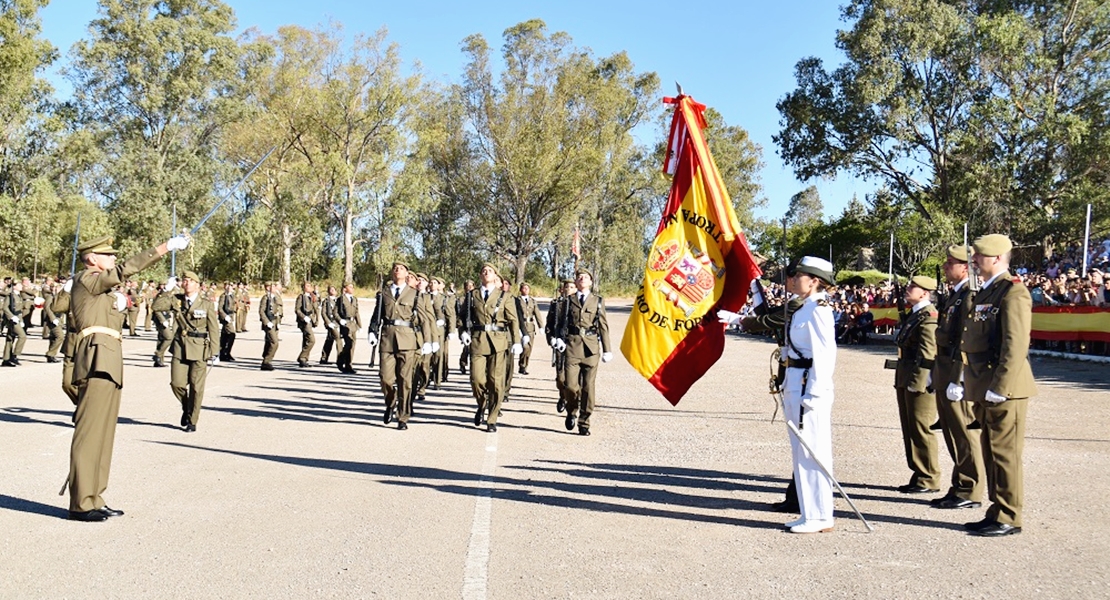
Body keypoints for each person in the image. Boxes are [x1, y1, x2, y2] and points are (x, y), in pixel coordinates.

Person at [65, 233, 186, 521]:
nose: (113, 259)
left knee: (104, 435)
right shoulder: (86, 278)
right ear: (92, 259)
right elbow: (123, 271)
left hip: (108, 362)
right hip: (95, 361)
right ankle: (80, 502)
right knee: (89, 434)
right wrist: (163, 248)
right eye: (107, 256)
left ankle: (95, 496)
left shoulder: (100, 290)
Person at [960, 234, 1037, 537]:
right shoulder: (987, 292)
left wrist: (1000, 386)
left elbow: (1015, 345)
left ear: (996, 258)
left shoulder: (1012, 293)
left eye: (979, 256)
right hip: (985, 384)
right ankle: (996, 510)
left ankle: (1009, 515)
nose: (975, 261)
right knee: (991, 452)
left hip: (1005, 387)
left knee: (1005, 454)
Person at [719, 277, 805, 514]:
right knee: (796, 439)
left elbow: (769, 321)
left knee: (802, 439)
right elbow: (766, 313)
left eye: (794, 277)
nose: (790, 281)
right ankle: (795, 496)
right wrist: (755, 286)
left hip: (802, 377)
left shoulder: (802, 305)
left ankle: (799, 498)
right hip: (791, 373)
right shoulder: (796, 302)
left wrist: (738, 320)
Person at [779, 256, 837, 534]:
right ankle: (809, 512)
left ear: (814, 280)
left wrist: (814, 393)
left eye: (798, 275)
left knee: (813, 451)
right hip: (795, 382)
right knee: (801, 451)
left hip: (808, 387)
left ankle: (820, 515)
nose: (792, 279)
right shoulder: (804, 308)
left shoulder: (820, 310)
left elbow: (825, 356)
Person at [931, 245, 985, 510]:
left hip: (956, 370)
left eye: (950, 262)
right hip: (944, 369)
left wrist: (961, 377)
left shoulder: (969, 296)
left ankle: (970, 488)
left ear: (965, 266)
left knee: (964, 434)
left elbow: (967, 338)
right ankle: (960, 484)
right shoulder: (954, 295)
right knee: (953, 433)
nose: (944, 266)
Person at [888, 276, 941, 494]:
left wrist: (918, 382)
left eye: (913, 287)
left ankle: (928, 477)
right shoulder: (915, 315)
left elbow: (928, 352)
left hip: (919, 381)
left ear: (925, 293)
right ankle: (918, 472)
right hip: (906, 376)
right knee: (909, 428)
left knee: (921, 428)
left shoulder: (928, 316)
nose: (908, 290)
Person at [367, 262, 431, 430]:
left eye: (402, 268)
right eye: (395, 268)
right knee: (385, 379)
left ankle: (403, 416)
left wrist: (428, 341)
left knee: (405, 380)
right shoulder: (384, 293)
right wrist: (372, 331)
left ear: (407, 273)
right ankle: (391, 401)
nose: (398, 270)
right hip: (387, 339)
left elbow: (424, 320)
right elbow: (377, 315)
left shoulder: (415, 294)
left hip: (408, 341)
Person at [459, 264, 522, 433]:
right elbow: (462, 317)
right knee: (476, 379)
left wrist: (516, 341)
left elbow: (513, 320)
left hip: (498, 342)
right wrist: (463, 332)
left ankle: (492, 418)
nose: (486, 273)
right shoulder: (472, 295)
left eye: (490, 271)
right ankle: (482, 404)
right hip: (478, 341)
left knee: (495, 382)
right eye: (483, 271)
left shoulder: (505, 296)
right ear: (480, 276)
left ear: (496, 277)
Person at [551, 268, 611, 436]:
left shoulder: (598, 301)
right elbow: (560, 323)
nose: (582, 279)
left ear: (591, 282)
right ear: (576, 282)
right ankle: (571, 410)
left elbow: (603, 326)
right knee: (570, 386)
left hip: (591, 349)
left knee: (588, 387)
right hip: (572, 346)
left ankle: (584, 421)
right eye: (579, 277)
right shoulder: (569, 301)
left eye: (585, 277)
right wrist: (558, 338)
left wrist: (607, 349)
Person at [169, 271, 220, 432]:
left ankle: (192, 419)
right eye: (184, 280)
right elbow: (157, 306)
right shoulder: (176, 300)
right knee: (177, 383)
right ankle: (186, 407)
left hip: (199, 348)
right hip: (180, 348)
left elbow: (213, 328)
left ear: (197, 285)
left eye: (190, 281)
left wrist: (215, 351)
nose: (187, 283)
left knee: (196, 388)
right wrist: (166, 290)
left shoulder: (206, 304)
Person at [545, 279, 576, 414]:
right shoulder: (556, 304)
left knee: (573, 379)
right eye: (567, 287)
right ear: (562, 289)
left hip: (574, 344)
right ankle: (562, 396)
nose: (569, 289)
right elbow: (549, 325)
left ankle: (573, 404)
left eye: (572, 287)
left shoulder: (579, 305)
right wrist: (551, 338)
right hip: (559, 344)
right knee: (560, 377)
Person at [429, 276, 455, 389]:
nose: (432, 284)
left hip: (439, 331)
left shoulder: (444, 298)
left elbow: (451, 314)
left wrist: (451, 330)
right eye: (431, 282)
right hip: (426, 330)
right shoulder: (423, 296)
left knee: (439, 356)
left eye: (435, 282)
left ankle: (437, 380)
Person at [336, 282, 360, 373]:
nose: (352, 289)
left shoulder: (354, 299)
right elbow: (335, 312)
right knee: (348, 344)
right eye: (350, 287)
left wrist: (359, 325)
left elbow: (357, 313)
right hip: (345, 323)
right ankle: (341, 360)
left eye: (353, 287)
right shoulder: (341, 299)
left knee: (352, 345)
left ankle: (348, 365)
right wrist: (340, 320)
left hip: (352, 324)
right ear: (345, 289)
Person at [151, 280, 176, 367]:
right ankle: (158, 354)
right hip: (160, 319)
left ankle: (158, 361)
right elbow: (156, 308)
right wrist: (163, 320)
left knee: (161, 339)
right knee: (169, 337)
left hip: (166, 317)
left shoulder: (168, 295)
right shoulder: (160, 295)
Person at [2, 280, 27, 366]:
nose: (21, 286)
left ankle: (6, 359)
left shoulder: (18, 296)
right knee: (22, 336)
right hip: (11, 319)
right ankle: (15, 355)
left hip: (17, 318)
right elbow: (5, 308)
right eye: (19, 285)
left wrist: (21, 320)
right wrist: (11, 317)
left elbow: (19, 310)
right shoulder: (10, 296)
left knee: (10, 338)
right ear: (14, 286)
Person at [259, 282, 283, 371]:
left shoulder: (276, 297)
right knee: (274, 342)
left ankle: (266, 358)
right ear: (268, 288)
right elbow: (261, 311)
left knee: (269, 342)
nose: (274, 287)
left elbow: (279, 310)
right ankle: (266, 361)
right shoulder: (265, 298)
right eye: (272, 286)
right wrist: (266, 322)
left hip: (275, 322)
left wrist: (279, 321)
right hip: (269, 323)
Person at [516, 283, 539, 375]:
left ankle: (524, 366)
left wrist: (541, 326)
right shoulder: (517, 300)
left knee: (528, 348)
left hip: (530, 327)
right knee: (524, 347)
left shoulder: (532, 301)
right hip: (520, 326)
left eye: (527, 288)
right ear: (520, 290)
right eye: (524, 288)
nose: (526, 290)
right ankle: (521, 365)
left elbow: (537, 314)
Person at [295, 281, 317, 368]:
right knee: (312, 340)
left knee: (306, 340)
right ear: (304, 288)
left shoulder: (311, 297)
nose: (310, 287)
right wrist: (304, 317)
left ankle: (304, 360)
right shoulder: (301, 297)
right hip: (304, 321)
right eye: (307, 286)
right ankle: (302, 357)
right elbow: (297, 310)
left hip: (310, 321)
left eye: (310, 286)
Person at [42, 278, 65, 363]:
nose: (58, 289)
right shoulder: (50, 297)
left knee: (53, 337)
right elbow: (47, 309)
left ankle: (51, 356)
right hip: (53, 319)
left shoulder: (58, 297)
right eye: (56, 288)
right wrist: (53, 319)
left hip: (59, 319)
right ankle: (50, 353)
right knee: (60, 336)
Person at [319, 285, 343, 365]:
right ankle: (340, 359)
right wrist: (328, 322)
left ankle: (324, 358)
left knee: (329, 340)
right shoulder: (326, 301)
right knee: (338, 339)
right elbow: (323, 313)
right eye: (330, 290)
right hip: (331, 322)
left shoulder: (339, 300)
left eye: (334, 289)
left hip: (338, 322)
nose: (332, 291)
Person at [218, 282, 238, 361]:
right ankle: (225, 352)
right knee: (232, 334)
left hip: (231, 317)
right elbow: (220, 308)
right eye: (228, 286)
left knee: (224, 336)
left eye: (231, 286)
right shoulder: (223, 296)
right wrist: (225, 316)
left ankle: (224, 353)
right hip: (226, 318)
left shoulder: (232, 295)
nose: (230, 287)